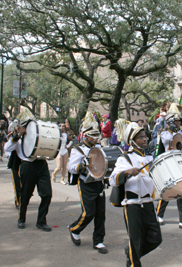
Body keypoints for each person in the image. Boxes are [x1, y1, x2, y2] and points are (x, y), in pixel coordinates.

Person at [109, 120, 162, 267]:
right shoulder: (125, 158)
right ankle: (133, 262)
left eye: (145, 136)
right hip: (132, 205)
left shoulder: (150, 158)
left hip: (148, 204)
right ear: (132, 142)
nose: (145, 139)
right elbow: (112, 179)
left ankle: (132, 252)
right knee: (135, 240)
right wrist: (126, 172)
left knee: (155, 239)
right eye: (141, 137)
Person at [4, 108, 52, 232]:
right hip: (27, 166)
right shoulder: (17, 138)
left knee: (47, 194)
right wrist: (18, 135)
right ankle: (21, 219)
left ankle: (41, 221)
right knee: (25, 195)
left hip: (41, 164)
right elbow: (7, 148)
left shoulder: (37, 134)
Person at [67, 112, 108, 253]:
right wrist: (82, 165)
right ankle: (74, 229)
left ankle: (98, 241)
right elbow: (71, 168)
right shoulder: (78, 150)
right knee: (89, 213)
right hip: (86, 183)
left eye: (98, 135)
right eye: (93, 136)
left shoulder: (100, 148)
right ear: (86, 135)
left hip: (99, 183)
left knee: (101, 215)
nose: (96, 138)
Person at [156, 104, 182, 232]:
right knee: (168, 190)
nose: (178, 123)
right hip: (168, 164)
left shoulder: (180, 133)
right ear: (170, 122)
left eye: (178, 121)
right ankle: (159, 215)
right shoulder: (164, 133)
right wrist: (171, 131)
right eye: (176, 121)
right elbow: (167, 141)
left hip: (179, 164)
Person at [7, 123, 22, 209]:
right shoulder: (14, 137)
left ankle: (23, 197)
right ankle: (17, 201)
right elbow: (8, 147)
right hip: (15, 162)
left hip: (25, 163)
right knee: (17, 183)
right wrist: (18, 135)